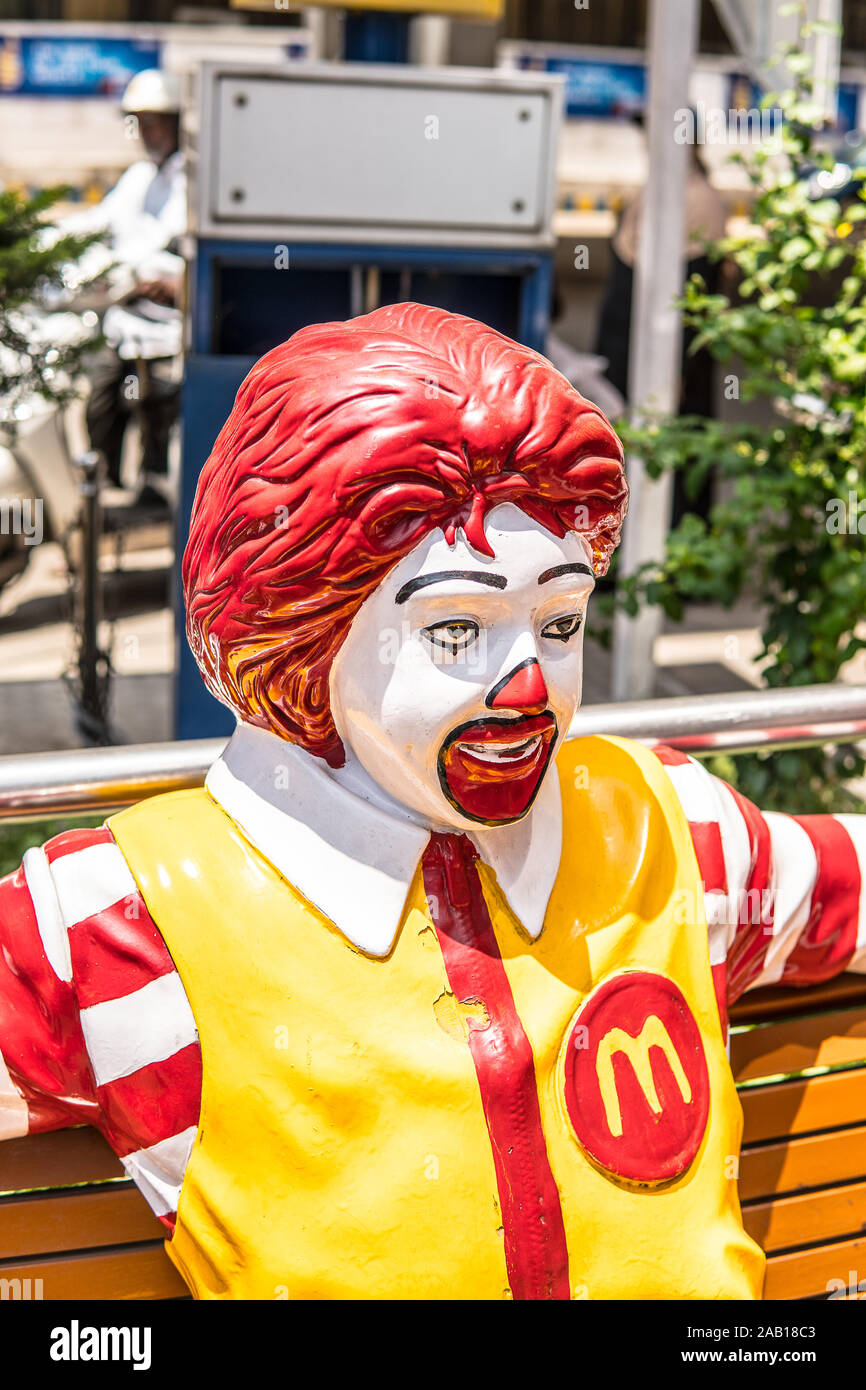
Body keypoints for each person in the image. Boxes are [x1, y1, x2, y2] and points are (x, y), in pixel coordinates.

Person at [0, 304, 864, 1300]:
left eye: (558, 621)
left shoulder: (671, 830)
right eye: (455, 632)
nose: (528, 687)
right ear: (303, 630)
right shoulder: (116, 923)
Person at [60, 68, 186, 501]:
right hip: (123, 321)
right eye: (141, 122)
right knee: (100, 404)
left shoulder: (190, 182)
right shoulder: (137, 179)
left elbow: (164, 252)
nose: (148, 132)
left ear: (176, 122)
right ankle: (105, 493)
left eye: (156, 121)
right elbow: (97, 226)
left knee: (158, 414)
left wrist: (137, 273)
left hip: (166, 329)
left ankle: (154, 499)